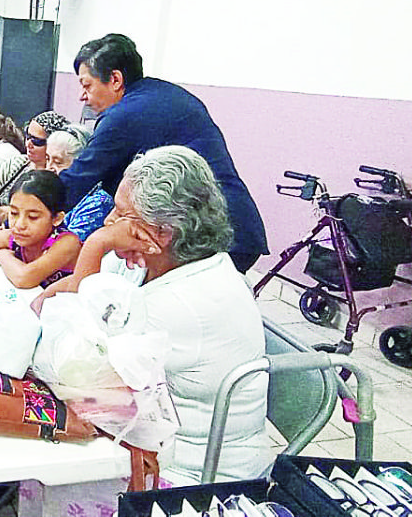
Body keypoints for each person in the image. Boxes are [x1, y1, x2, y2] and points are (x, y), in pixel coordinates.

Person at [33, 145, 270, 485]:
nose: (108, 223)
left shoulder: (186, 301)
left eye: (120, 214)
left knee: (46, 450)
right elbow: (69, 295)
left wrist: (96, 244)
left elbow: (72, 370)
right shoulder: (151, 260)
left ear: (160, 232)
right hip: (145, 438)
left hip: (191, 473)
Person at [60, 33, 268, 272]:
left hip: (216, 234)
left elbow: (77, 181)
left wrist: (30, 208)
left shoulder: (124, 115)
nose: (82, 96)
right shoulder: (163, 95)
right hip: (229, 227)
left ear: (115, 79)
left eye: (87, 85)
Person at [0, 170, 80, 289]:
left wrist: (1, 255)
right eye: (14, 213)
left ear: (57, 218)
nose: (19, 224)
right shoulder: (14, 236)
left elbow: (24, 278)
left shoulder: (67, 243)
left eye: (33, 217)